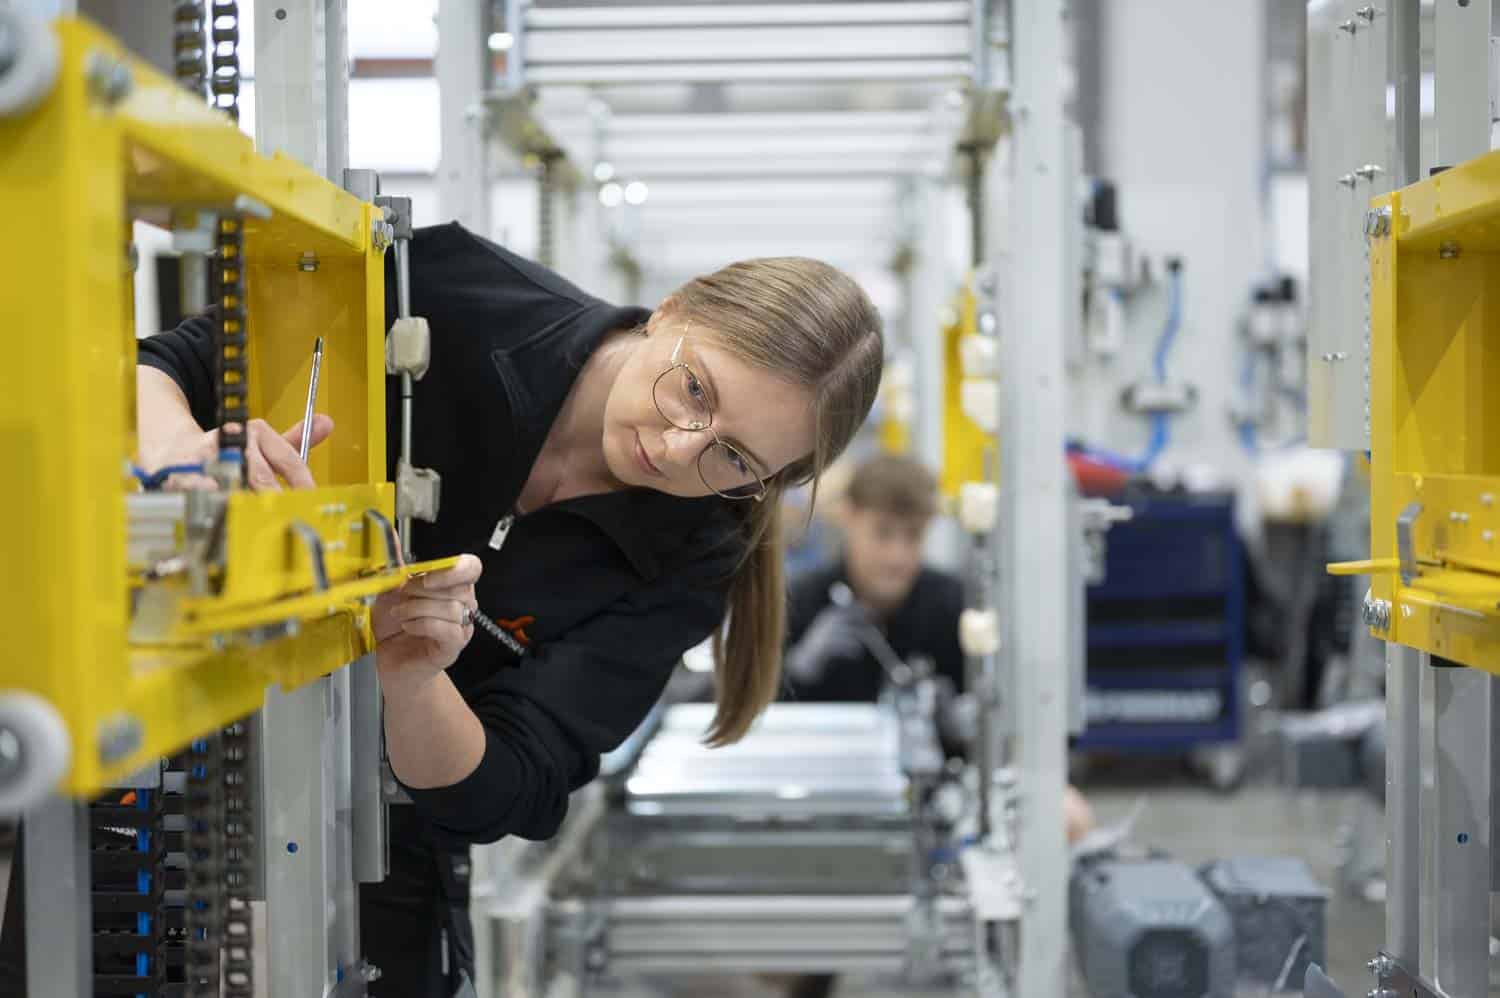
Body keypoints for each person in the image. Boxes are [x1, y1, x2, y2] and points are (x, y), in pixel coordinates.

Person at [0, 223, 883, 996]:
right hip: (165, 747)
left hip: (380, 858)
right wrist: (183, 457)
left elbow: (510, 784)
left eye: (732, 457)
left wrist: (416, 678)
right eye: (695, 391)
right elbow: (159, 367)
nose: (678, 446)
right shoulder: (457, 294)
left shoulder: (697, 552)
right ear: (674, 309)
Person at [783, 454, 1094, 836]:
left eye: (912, 537)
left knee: (1070, 814)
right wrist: (795, 671)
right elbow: (736, 715)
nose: (897, 556)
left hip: (939, 803)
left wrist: (968, 722)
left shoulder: (951, 606)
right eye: (882, 533)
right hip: (818, 789)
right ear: (849, 517)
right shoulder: (800, 602)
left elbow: (1002, 724)